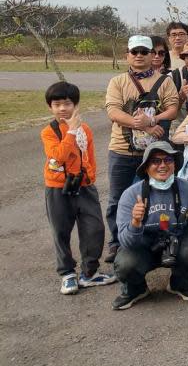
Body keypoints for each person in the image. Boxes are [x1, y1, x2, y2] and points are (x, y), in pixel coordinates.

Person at [104, 35, 179, 264]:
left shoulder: (164, 81)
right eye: (134, 51)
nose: (139, 56)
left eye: (144, 52)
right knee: (117, 198)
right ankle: (117, 242)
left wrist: (151, 119)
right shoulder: (117, 81)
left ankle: (154, 240)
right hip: (122, 150)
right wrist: (139, 123)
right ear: (127, 54)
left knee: (155, 196)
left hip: (154, 155)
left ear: (152, 56)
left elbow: (173, 108)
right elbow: (113, 111)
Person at [42, 82, 116, 295]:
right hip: (58, 187)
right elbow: (58, 155)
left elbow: (88, 156)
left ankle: (89, 272)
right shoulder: (49, 132)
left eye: (67, 104)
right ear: (50, 107)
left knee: (94, 228)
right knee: (60, 230)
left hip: (83, 185)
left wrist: (90, 176)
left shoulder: (85, 129)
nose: (63, 109)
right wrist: (71, 131)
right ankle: (66, 273)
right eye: (57, 104)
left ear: (75, 105)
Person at [112, 142, 188, 309]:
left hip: (177, 244)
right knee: (125, 263)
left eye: (168, 160)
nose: (162, 165)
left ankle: (181, 284)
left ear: (175, 164)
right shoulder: (130, 195)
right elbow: (125, 243)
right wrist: (135, 223)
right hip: (143, 247)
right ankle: (136, 290)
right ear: (146, 167)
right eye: (155, 161)